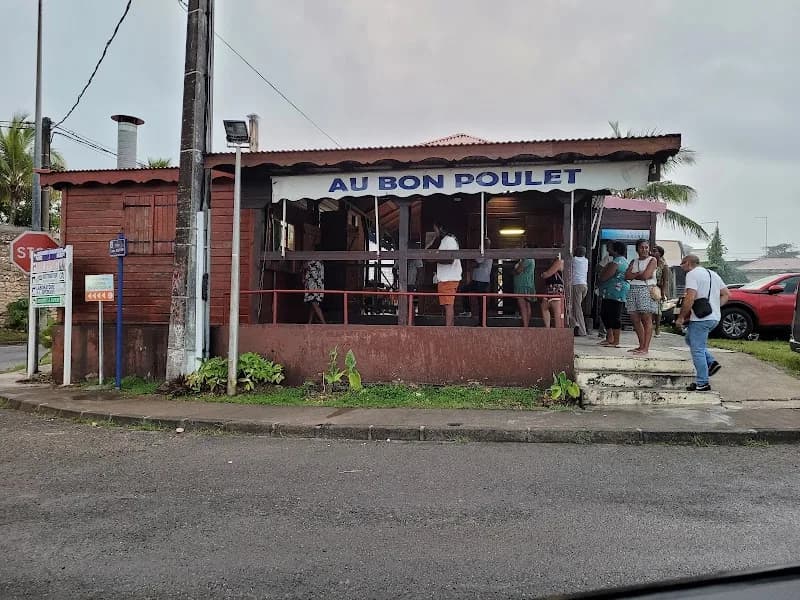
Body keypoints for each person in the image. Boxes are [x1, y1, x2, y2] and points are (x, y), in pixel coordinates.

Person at [676, 255, 729, 391]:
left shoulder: (692, 274)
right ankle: (710, 362)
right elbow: (726, 294)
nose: (681, 267)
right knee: (690, 339)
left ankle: (702, 382)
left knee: (697, 350)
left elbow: (690, 298)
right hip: (714, 318)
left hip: (701, 319)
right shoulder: (713, 274)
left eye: (682, 264)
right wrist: (715, 307)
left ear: (688, 263)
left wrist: (681, 317)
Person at [624, 239, 659, 354]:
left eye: (646, 247)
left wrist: (634, 275)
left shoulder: (652, 260)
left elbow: (646, 275)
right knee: (635, 318)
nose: (644, 250)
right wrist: (638, 274)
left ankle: (646, 348)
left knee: (646, 319)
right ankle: (641, 345)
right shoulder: (634, 261)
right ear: (637, 249)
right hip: (633, 289)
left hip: (646, 290)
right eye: (641, 247)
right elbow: (626, 276)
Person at [598, 241, 630, 348]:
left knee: (613, 315)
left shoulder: (616, 262)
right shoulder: (623, 261)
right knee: (606, 313)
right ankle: (610, 337)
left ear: (615, 250)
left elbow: (605, 276)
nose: (608, 250)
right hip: (612, 292)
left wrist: (601, 275)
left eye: (610, 248)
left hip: (615, 292)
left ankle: (615, 340)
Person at [430, 222, 461, 326]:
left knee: (448, 305)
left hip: (449, 277)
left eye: (435, 230)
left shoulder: (449, 240)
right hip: (446, 277)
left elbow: (450, 259)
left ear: (441, 228)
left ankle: (448, 328)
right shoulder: (445, 240)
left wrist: (435, 259)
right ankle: (449, 327)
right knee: (447, 304)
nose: (435, 232)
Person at [460, 238, 493, 321]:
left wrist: (476, 253)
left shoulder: (485, 253)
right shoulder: (485, 253)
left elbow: (478, 261)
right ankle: (468, 311)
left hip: (482, 280)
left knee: (481, 301)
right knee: (464, 290)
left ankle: (482, 321)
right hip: (478, 280)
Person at [594, 241, 614, 337]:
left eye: (609, 247)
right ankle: (605, 331)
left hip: (608, 286)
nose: (607, 249)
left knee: (606, 309)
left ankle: (604, 330)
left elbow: (598, 268)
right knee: (608, 309)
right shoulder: (611, 258)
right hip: (610, 287)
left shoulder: (610, 258)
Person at [540, 254, 565, 328]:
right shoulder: (554, 263)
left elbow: (547, 274)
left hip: (556, 288)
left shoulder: (559, 262)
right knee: (544, 307)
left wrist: (544, 274)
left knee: (557, 312)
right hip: (549, 288)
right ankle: (548, 328)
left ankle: (558, 331)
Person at [651, 245, 670, 336]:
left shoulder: (664, 265)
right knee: (649, 308)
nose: (653, 253)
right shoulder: (651, 261)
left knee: (658, 310)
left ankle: (657, 328)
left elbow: (665, 280)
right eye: (653, 251)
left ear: (660, 253)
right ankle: (649, 326)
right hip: (649, 286)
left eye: (655, 251)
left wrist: (663, 292)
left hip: (658, 287)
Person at [571, 246, 589, 336]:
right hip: (584, 285)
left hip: (576, 285)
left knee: (577, 309)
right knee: (575, 307)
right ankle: (575, 326)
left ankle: (582, 331)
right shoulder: (586, 260)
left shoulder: (574, 260)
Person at [303, 254, 326, 324]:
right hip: (317, 286)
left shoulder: (314, 263)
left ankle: (324, 323)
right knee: (313, 304)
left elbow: (307, 268)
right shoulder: (320, 263)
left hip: (313, 287)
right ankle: (309, 322)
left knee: (314, 304)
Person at [513, 256, 535, 327]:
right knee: (527, 305)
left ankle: (525, 325)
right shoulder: (531, 259)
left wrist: (514, 271)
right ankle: (526, 324)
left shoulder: (527, 259)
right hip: (528, 284)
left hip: (522, 284)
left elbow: (518, 270)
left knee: (523, 306)